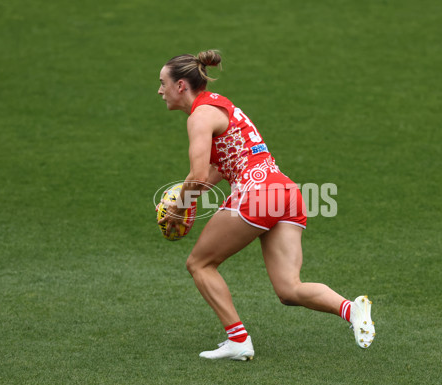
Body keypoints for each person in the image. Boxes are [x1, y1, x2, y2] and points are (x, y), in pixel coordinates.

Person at [156, 50, 375, 361]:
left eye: (163, 83)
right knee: (288, 289)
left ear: (180, 85)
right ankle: (351, 309)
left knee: (199, 264)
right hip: (284, 192)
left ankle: (239, 340)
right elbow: (221, 169)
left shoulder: (200, 116)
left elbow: (198, 173)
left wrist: (179, 207)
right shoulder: (221, 105)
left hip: (256, 194)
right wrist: (189, 199)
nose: (160, 90)